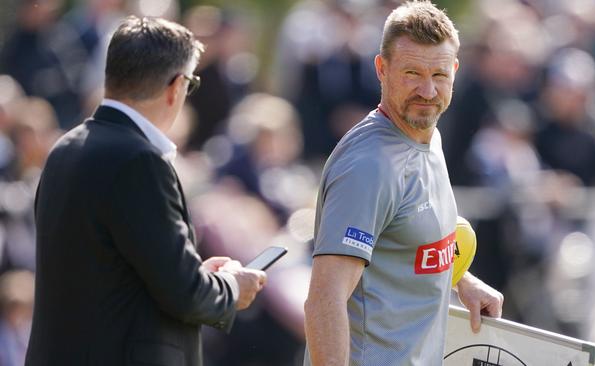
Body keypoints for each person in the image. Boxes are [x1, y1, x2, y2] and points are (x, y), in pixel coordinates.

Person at [25, 16, 266, 366]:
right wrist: (232, 287)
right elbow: (185, 294)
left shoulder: (65, 147)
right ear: (176, 86)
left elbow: (117, 270)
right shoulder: (139, 160)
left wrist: (198, 275)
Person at [303, 2, 504, 365]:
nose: (427, 91)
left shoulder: (428, 134)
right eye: (412, 73)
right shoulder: (369, 165)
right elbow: (325, 297)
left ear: (455, 71)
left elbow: (402, 241)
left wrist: (460, 280)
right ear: (382, 69)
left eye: (439, 75)